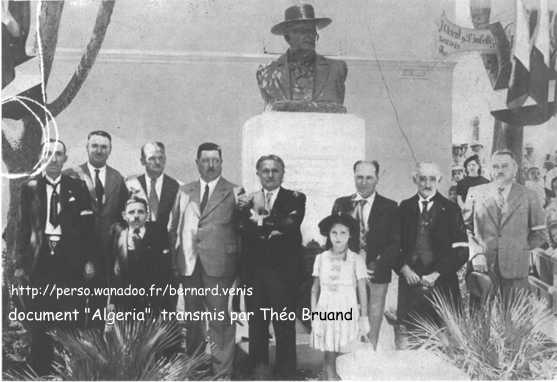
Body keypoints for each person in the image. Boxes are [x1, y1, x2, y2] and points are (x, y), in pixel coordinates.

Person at [15, 139, 96, 375]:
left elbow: (88, 227)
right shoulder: (29, 188)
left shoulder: (77, 187)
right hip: (39, 261)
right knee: (40, 315)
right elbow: (22, 228)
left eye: (58, 154)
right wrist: (20, 264)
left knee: (69, 313)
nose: (53, 159)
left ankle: (65, 370)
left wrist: (89, 261)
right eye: (48, 154)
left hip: (69, 260)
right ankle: (40, 369)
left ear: (65, 158)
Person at [177, 142, 244, 378]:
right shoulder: (185, 191)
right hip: (189, 264)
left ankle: (222, 373)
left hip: (221, 266)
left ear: (221, 163)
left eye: (215, 160)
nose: (211, 165)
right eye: (205, 160)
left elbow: (241, 232)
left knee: (220, 322)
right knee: (193, 320)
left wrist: (239, 271)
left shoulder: (235, 192)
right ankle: (195, 370)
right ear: (197, 163)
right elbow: (175, 228)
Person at [239, 154, 306, 379]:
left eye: (275, 170)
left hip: (284, 277)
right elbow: (243, 229)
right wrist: (270, 225)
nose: (270, 174)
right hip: (255, 276)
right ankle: (260, 374)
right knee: (257, 328)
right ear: (258, 173)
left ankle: (286, 375)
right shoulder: (247, 200)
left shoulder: (295, 198)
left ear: (282, 173)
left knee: (284, 328)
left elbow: (289, 225)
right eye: (265, 170)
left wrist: (258, 222)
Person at [330, 160, 399, 350]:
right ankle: (346, 364)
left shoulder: (390, 207)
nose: (364, 182)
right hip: (347, 271)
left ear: (377, 178)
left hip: (376, 271)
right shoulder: (341, 204)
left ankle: (369, 363)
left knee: (373, 322)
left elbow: (395, 243)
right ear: (354, 177)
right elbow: (333, 239)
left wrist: (376, 265)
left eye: (369, 177)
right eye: (359, 177)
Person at [395, 161, 469, 333]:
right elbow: (393, 244)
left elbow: (462, 250)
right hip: (410, 283)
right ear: (415, 180)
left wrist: (437, 273)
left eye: (432, 179)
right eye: (422, 179)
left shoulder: (451, 209)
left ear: (439, 180)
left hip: (442, 282)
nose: (427, 184)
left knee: (443, 339)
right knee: (412, 337)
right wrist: (404, 269)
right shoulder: (404, 207)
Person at [65, 130, 128, 328]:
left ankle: (93, 352)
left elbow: (121, 216)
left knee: (98, 306)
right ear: (87, 148)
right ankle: (72, 353)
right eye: (95, 146)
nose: (99, 151)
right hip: (77, 252)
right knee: (73, 305)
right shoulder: (71, 175)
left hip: (104, 254)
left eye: (104, 147)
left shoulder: (117, 178)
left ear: (109, 150)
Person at [463, 150, 547, 293]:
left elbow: (539, 233)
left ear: (515, 169)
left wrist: (519, 250)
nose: (499, 170)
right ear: (489, 169)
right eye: (495, 166)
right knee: (481, 315)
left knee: (513, 314)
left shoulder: (529, 195)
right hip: (481, 269)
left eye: (504, 166)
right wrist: (476, 253)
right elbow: (464, 228)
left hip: (516, 272)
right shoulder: (474, 193)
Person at [256, 4, 347, 112]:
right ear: (287, 37)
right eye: (302, 31)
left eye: (311, 31)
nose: (309, 36)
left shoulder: (337, 69)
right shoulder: (267, 72)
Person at [310, 214, 369, 380]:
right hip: (326, 308)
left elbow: (362, 290)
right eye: (334, 233)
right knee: (329, 350)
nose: (338, 237)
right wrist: (314, 314)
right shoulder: (320, 259)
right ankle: (330, 378)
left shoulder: (356, 259)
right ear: (328, 235)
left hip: (347, 308)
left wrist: (364, 317)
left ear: (350, 235)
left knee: (345, 350)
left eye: (343, 233)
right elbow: (315, 290)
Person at [109, 196, 172, 314]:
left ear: (147, 215)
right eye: (131, 212)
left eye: (140, 212)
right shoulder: (119, 235)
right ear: (124, 215)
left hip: (153, 298)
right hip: (126, 299)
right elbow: (115, 270)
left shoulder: (158, 233)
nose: (136, 216)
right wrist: (113, 299)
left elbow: (165, 269)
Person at [125, 142, 183, 252]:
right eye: (151, 158)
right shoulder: (130, 185)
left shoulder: (177, 187)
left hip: (165, 249)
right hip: (136, 248)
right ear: (142, 161)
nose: (157, 162)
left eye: (161, 158)